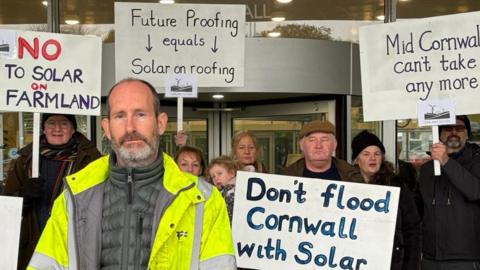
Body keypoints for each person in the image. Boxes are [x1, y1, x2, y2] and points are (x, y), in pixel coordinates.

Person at [28, 78, 235, 269]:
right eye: (119, 116)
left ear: (160, 123)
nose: (130, 127)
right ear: (107, 128)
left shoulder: (202, 199)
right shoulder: (74, 198)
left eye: (140, 114)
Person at [2, 113, 101, 270]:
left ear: (73, 129)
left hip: (71, 243)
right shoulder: (25, 160)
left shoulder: (91, 160)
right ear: (43, 128)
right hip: (31, 245)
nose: (57, 128)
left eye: (64, 123)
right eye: (51, 123)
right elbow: (6, 208)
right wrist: (22, 196)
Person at [417, 115, 480, 270]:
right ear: (439, 133)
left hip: (466, 258)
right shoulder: (426, 170)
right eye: (448, 128)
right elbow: (418, 208)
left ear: (467, 134)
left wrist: (446, 162)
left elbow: (475, 192)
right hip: (430, 257)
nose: (453, 132)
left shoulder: (477, 163)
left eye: (459, 128)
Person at [351, 130, 421, 270]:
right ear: (357, 159)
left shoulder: (396, 185)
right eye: (366, 154)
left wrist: (410, 265)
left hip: (392, 262)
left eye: (377, 154)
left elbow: (412, 229)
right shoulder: (347, 186)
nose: (372, 158)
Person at [283, 120, 363, 182]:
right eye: (312, 140)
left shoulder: (353, 177)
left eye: (324, 140)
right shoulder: (284, 179)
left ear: (334, 145)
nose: (318, 146)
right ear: (301, 145)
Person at [207, 155, 239, 223]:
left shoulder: (231, 192)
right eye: (213, 177)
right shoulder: (220, 192)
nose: (216, 178)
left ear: (232, 173)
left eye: (219, 173)